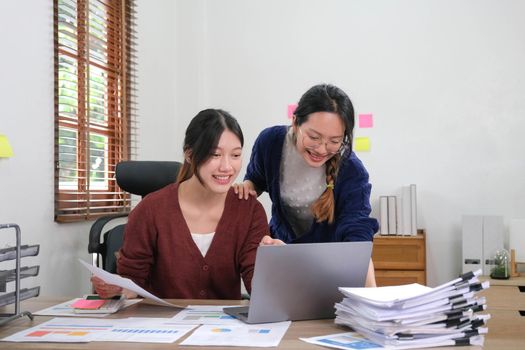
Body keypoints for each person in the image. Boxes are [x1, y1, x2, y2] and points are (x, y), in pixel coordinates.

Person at [92, 109, 269, 299]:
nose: (227, 167)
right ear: (190, 155)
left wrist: (275, 266)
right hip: (161, 324)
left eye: (235, 155)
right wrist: (116, 288)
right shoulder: (150, 210)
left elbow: (258, 287)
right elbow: (133, 282)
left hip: (224, 327)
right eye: (215, 155)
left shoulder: (249, 210)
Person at [234, 84, 379, 287]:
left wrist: (371, 299)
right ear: (295, 122)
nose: (321, 149)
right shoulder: (271, 142)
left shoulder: (352, 172)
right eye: (314, 137)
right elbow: (257, 179)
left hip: (329, 274)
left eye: (334, 141)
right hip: (281, 266)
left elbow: (357, 240)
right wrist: (246, 188)